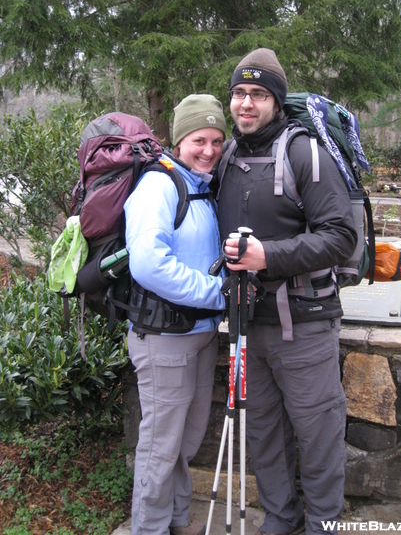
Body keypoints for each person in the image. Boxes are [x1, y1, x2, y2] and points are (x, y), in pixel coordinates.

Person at [217, 49, 358, 535]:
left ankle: (324, 524)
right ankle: (280, 518)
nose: (247, 104)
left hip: (305, 322)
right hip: (247, 322)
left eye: (258, 94)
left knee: (318, 431)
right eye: (239, 93)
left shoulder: (304, 153)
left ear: (276, 101)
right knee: (263, 430)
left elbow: (342, 236)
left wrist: (267, 257)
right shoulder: (231, 155)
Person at [124, 94, 227, 535]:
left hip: (200, 333)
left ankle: (178, 519)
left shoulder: (201, 186)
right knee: (161, 447)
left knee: (186, 440)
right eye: (199, 140)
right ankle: (149, 527)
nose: (208, 150)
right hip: (164, 337)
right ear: (179, 139)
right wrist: (216, 294)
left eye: (217, 141)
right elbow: (148, 263)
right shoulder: (160, 186)